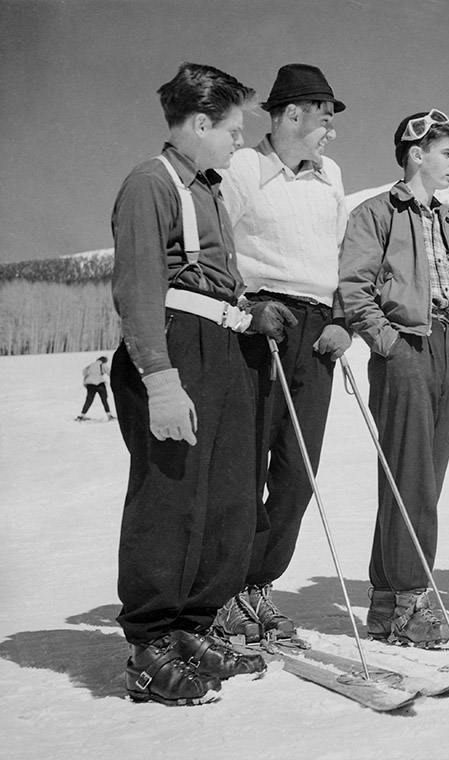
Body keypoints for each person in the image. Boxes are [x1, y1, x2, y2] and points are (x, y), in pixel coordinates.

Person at [110, 62, 268, 706]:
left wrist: (253, 313)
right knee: (171, 497)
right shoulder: (151, 182)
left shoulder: (208, 188)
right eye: (232, 129)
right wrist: (160, 380)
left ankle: (190, 627)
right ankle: (149, 646)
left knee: (225, 495)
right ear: (200, 123)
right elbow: (141, 286)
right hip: (174, 351)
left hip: (221, 348)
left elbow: (208, 279)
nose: (238, 141)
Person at [339, 110, 449, 648]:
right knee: (411, 480)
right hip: (405, 350)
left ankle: (385, 606)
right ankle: (409, 602)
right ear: (415, 153)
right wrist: (390, 346)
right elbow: (353, 290)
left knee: (422, 479)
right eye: (447, 152)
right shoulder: (374, 214)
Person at [216, 63, 352, 644]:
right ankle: (225, 593)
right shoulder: (244, 166)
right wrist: (245, 309)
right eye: (325, 117)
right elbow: (216, 241)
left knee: (299, 471)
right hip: (263, 322)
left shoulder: (331, 174)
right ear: (292, 114)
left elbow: (341, 253)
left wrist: (344, 319)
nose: (331, 130)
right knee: (245, 467)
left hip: (317, 329)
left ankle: (258, 584)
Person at [76, 356, 114, 420]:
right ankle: (109, 415)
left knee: (89, 400)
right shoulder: (102, 365)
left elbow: (84, 372)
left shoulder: (91, 365)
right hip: (100, 383)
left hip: (90, 384)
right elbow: (110, 372)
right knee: (104, 399)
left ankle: (82, 415)